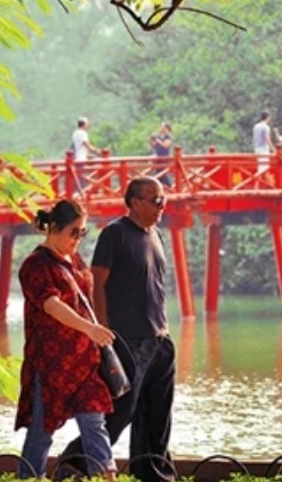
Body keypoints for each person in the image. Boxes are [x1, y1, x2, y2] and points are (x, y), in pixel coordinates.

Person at [63, 176, 176, 482]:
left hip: (159, 337)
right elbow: (98, 281)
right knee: (121, 409)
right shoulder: (115, 233)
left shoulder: (155, 235)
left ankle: (153, 473)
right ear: (135, 202)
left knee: (157, 412)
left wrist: (163, 332)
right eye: (155, 200)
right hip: (127, 338)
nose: (161, 205)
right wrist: (102, 330)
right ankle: (75, 464)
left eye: (163, 199)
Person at [16, 199, 118, 480]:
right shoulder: (35, 265)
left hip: (84, 358)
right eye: (74, 232)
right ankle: (29, 477)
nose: (78, 239)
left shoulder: (76, 262)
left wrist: (94, 331)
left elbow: (85, 299)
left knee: (94, 421)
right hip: (51, 364)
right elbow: (51, 304)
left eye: (82, 233)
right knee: (42, 431)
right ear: (54, 228)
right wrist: (89, 328)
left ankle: (108, 476)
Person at [71, 117, 99, 195]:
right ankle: (82, 192)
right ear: (84, 124)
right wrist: (96, 150)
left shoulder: (75, 133)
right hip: (81, 158)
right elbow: (86, 144)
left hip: (76, 158)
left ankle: (77, 191)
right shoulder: (83, 133)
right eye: (87, 124)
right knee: (82, 175)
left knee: (78, 175)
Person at [149, 122, 174, 187]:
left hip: (164, 158)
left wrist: (158, 141)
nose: (161, 128)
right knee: (159, 172)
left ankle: (169, 187)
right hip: (158, 158)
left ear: (166, 128)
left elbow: (166, 145)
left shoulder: (168, 137)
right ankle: (163, 187)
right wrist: (152, 141)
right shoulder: (159, 136)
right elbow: (154, 145)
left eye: (162, 127)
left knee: (163, 173)